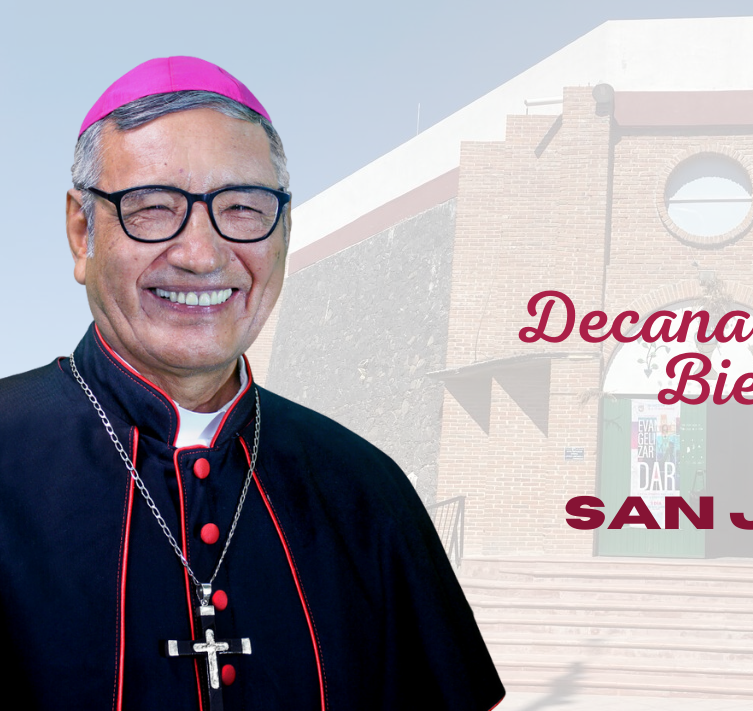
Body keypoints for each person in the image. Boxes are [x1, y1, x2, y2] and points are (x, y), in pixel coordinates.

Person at [0, 57, 505, 710]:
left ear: (285, 233)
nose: (203, 255)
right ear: (81, 231)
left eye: (242, 207)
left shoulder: (365, 490)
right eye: (153, 208)